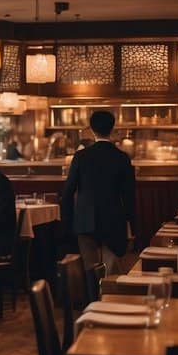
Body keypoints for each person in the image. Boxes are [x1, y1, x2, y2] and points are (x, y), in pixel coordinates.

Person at [61, 110, 135, 275]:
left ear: (92, 129)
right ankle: (107, 297)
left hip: (86, 220)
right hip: (114, 221)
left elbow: (67, 194)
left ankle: (92, 298)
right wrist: (130, 222)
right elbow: (129, 195)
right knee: (110, 272)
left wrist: (68, 223)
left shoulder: (81, 157)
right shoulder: (122, 158)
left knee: (91, 270)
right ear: (113, 129)